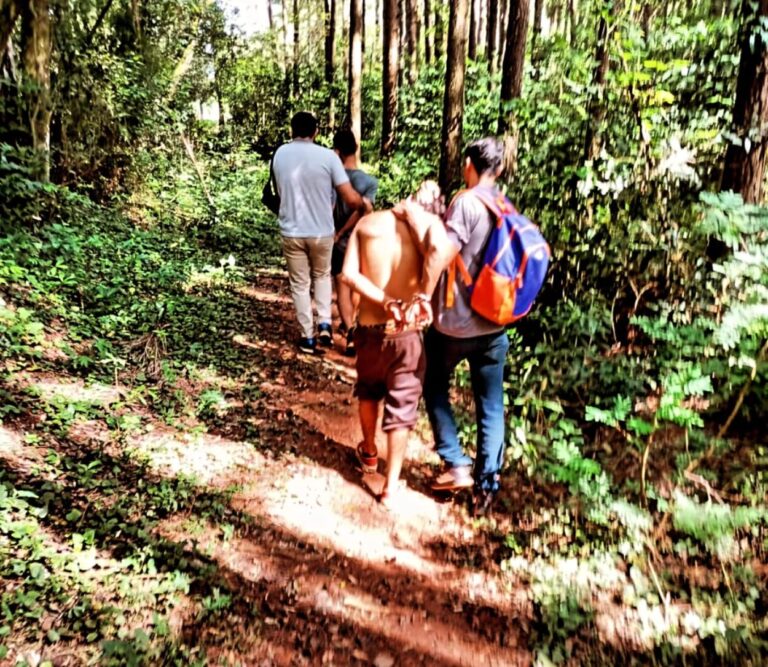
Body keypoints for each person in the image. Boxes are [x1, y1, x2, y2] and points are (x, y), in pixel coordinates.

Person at [398, 138, 510, 517]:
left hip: (455, 325)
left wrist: (422, 297)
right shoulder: (503, 203)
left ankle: (455, 461)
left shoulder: (467, 202)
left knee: (432, 382)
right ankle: (487, 486)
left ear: (469, 164)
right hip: (496, 322)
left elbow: (441, 254)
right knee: (491, 404)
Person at [340, 181, 446, 509]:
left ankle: (369, 452)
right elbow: (441, 254)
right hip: (408, 331)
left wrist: (385, 301)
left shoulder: (368, 223)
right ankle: (390, 485)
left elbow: (347, 276)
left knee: (369, 390)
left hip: (369, 327)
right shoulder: (429, 232)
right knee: (402, 407)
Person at [271, 112, 370, 355]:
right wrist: (362, 205)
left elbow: (278, 189)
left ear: (292, 130)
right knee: (322, 276)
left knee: (300, 284)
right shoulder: (327, 156)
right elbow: (348, 195)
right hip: (322, 232)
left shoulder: (280, 154)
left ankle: (308, 336)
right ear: (315, 131)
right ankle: (325, 323)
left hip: (292, 230)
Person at [331, 129, 379, 356]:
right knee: (357, 285)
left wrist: (338, 233)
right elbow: (364, 210)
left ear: (337, 151)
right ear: (356, 149)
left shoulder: (332, 179)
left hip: (337, 242)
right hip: (362, 243)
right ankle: (354, 328)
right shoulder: (370, 182)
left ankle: (350, 329)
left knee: (341, 283)